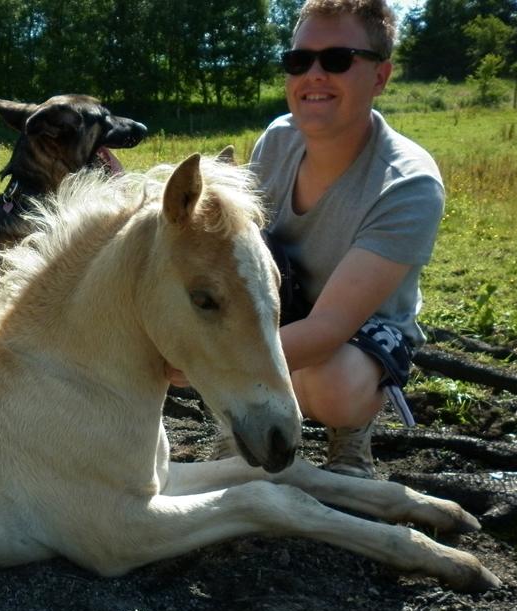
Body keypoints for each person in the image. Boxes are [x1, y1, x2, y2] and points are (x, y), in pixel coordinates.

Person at [173, 0, 445, 479]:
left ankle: (351, 431)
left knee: (333, 383)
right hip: (282, 300)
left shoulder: (407, 185)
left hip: (358, 330)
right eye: (299, 61)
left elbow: (328, 329)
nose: (314, 75)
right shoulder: (278, 138)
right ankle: (251, 409)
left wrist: (202, 365)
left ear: (380, 77)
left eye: (337, 60)